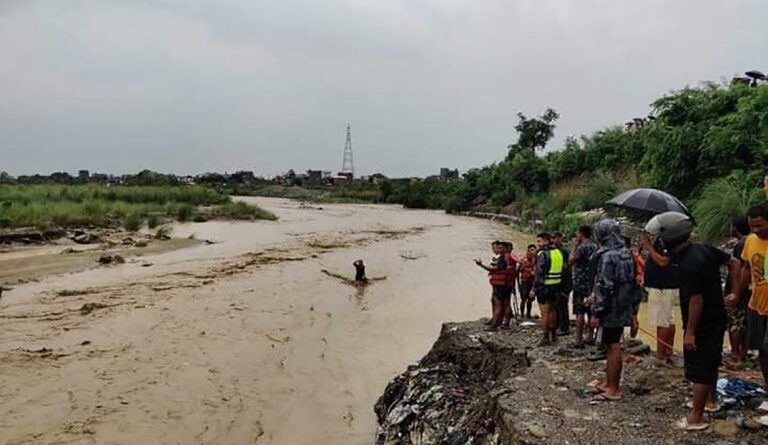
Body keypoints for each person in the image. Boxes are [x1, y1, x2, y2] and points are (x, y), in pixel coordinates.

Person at [646, 211, 730, 431]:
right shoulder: (704, 249)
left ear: (668, 239)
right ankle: (709, 402)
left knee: (700, 367)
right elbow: (735, 263)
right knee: (710, 360)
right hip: (717, 316)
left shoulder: (688, 265)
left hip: (702, 321)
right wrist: (735, 293)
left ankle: (695, 418)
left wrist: (690, 331)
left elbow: (696, 300)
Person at [589, 219, 636, 402]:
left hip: (611, 308)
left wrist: (596, 311)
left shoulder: (608, 256)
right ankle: (608, 383)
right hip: (623, 306)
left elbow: (605, 286)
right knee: (612, 344)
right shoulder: (626, 253)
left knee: (612, 346)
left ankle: (613, 389)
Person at [729, 204, 768, 391]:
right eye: (753, 226)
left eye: (760, 225)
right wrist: (737, 292)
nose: (756, 230)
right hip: (756, 304)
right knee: (761, 349)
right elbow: (746, 268)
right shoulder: (751, 241)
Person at [639, 232, 679, 364]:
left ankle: (661, 356)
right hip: (664, 285)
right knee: (668, 319)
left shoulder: (668, 241)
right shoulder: (666, 239)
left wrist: (647, 246)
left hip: (662, 286)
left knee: (662, 321)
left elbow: (663, 261)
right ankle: (668, 351)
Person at [723, 216, 751, 367]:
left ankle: (735, 355)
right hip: (749, 290)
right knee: (744, 322)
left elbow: (739, 268)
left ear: (735, 228)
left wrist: (735, 292)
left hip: (737, 289)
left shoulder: (740, 245)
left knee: (734, 323)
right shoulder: (751, 241)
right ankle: (744, 352)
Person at [569, 225, 598, 348]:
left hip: (580, 283)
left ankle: (578, 340)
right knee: (591, 310)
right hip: (592, 284)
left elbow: (571, 261)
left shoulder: (581, 247)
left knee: (579, 311)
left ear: (581, 234)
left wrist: (574, 246)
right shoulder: (596, 247)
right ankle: (590, 337)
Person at [534, 232, 564, 346]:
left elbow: (539, 273)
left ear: (546, 241)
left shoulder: (542, 254)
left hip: (545, 286)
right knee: (552, 311)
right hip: (556, 285)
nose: (537, 244)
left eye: (539, 241)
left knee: (545, 313)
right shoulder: (558, 252)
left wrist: (534, 289)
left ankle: (545, 337)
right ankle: (554, 335)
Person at [475, 241, 510, 331]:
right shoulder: (505, 258)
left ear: (505, 249)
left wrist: (481, 265)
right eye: (498, 247)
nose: (498, 249)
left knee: (498, 304)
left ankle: (494, 326)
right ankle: (498, 322)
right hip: (503, 284)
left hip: (500, 285)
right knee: (502, 304)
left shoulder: (503, 259)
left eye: (500, 248)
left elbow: (494, 269)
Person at [554, 232, 573, 335]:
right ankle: (558, 324)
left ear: (561, 238)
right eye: (554, 238)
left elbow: (567, 265)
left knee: (562, 304)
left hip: (565, 281)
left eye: (557, 238)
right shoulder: (554, 251)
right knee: (557, 304)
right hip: (557, 281)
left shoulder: (564, 251)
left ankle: (564, 327)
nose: (555, 240)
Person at [502, 242, 520, 327]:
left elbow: (520, 262)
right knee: (505, 301)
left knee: (506, 301)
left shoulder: (511, 255)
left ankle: (507, 320)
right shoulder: (504, 256)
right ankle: (509, 316)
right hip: (506, 280)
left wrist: (515, 271)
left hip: (508, 281)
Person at [518, 244, 537, 319]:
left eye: (533, 250)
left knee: (530, 299)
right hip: (524, 282)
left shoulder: (536, 260)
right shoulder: (523, 261)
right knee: (523, 299)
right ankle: (522, 315)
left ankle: (528, 314)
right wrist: (518, 284)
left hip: (532, 282)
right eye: (529, 251)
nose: (530, 253)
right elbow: (518, 271)